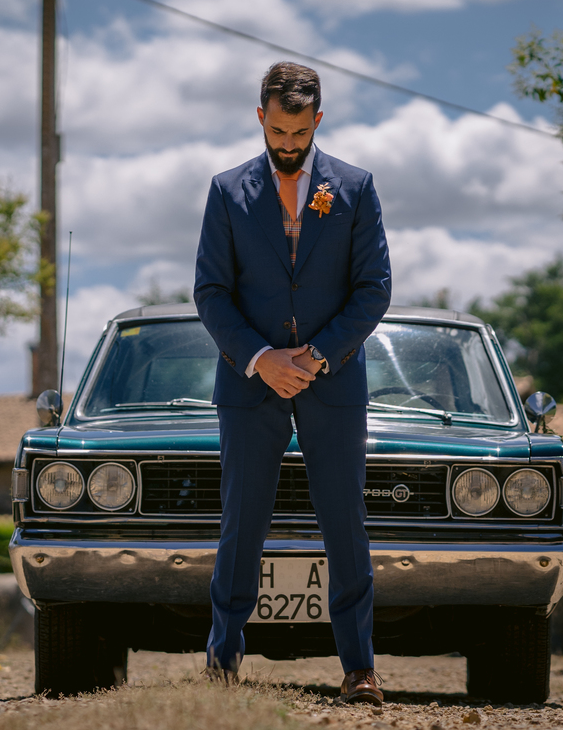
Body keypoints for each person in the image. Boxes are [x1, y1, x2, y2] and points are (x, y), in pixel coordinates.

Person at [193, 61, 392, 705]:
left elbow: (374, 290)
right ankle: (223, 662)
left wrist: (317, 356)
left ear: (318, 120)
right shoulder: (226, 191)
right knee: (241, 523)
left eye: (300, 132)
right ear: (260, 117)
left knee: (345, 525)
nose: (288, 143)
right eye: (278, 130)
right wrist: (261, 359)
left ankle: (359, 668)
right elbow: (211, 292)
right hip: (249, 384)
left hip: (333, 383)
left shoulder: (355, 188)